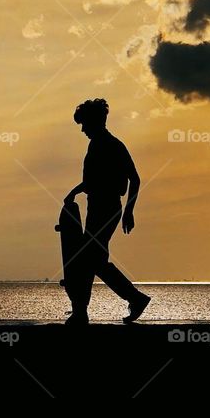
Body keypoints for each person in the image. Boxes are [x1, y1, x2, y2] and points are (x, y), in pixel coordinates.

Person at [63, 98, 151, 327]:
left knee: (89, 260)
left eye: (84, 124)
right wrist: (76, 191)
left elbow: (135, 178)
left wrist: (129, 211)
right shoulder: (96, 144)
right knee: (93, 260)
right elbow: (93, 181)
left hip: (106, 208)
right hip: (97, 207)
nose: (82, 130)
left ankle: (129, 300)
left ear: (95, 121)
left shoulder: (113, 145)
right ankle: (85, 310)